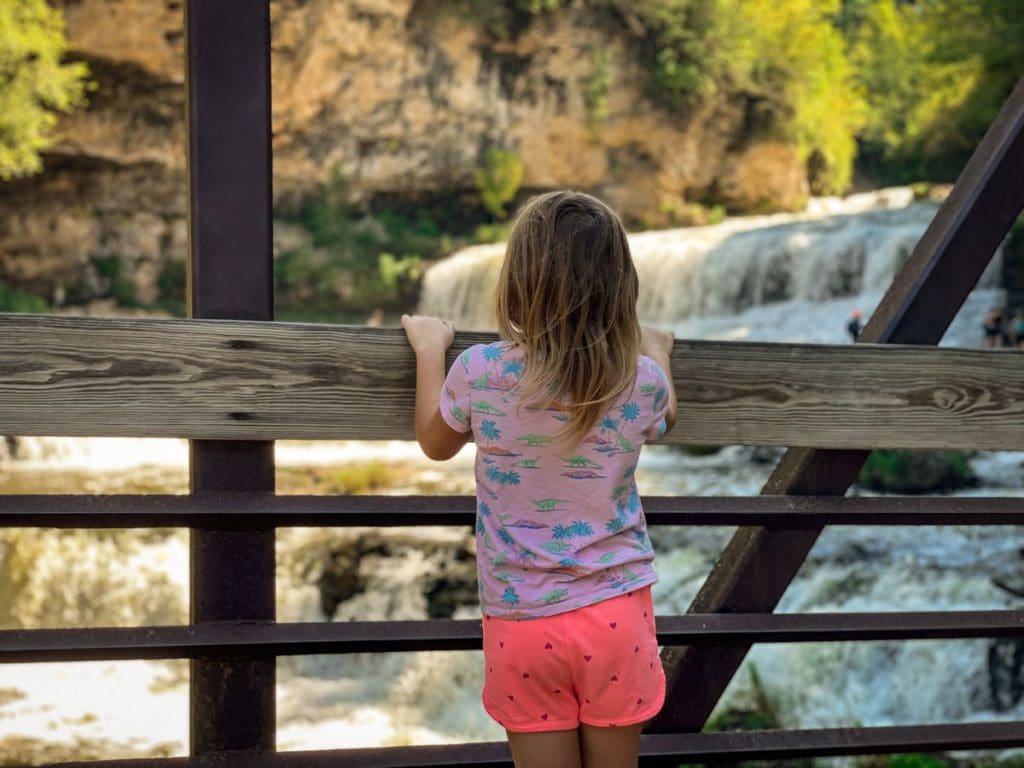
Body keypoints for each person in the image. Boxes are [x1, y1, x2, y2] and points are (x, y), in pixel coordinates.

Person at [401, 190, 677, 768]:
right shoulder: (641, 379)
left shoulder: (480, 370)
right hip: (617, 615)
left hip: (522, 620)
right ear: (620, 286)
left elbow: (435, 441)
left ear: (519, 281)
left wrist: (431, 350)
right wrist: (657, 350)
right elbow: (666, 415)